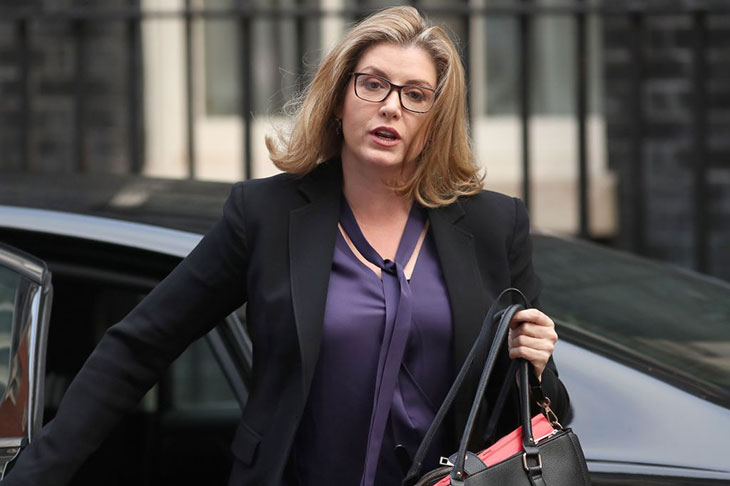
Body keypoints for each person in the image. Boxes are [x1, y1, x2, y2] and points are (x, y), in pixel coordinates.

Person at [3, 6, 567, 486]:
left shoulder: (493, 225)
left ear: (434, 121)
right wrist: (35, 474)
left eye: (416, 95)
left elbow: (547, 413)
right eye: (373, 84)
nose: (391, 106)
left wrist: (538, 365)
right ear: (340, 97)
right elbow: (139, 345)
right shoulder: (266, 216)